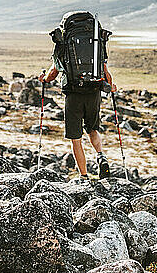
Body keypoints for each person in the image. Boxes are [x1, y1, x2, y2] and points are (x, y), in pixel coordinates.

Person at [39, 15, 116, 182]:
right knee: (93, 129)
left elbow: (53, 72)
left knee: (76, 138)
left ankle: (84, 176)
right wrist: (112, 86)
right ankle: (101, 156)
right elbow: (104, 69)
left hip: (73, 94)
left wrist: (44, 79)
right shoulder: (96, 42)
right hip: (94, 91)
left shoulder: (64, 43)